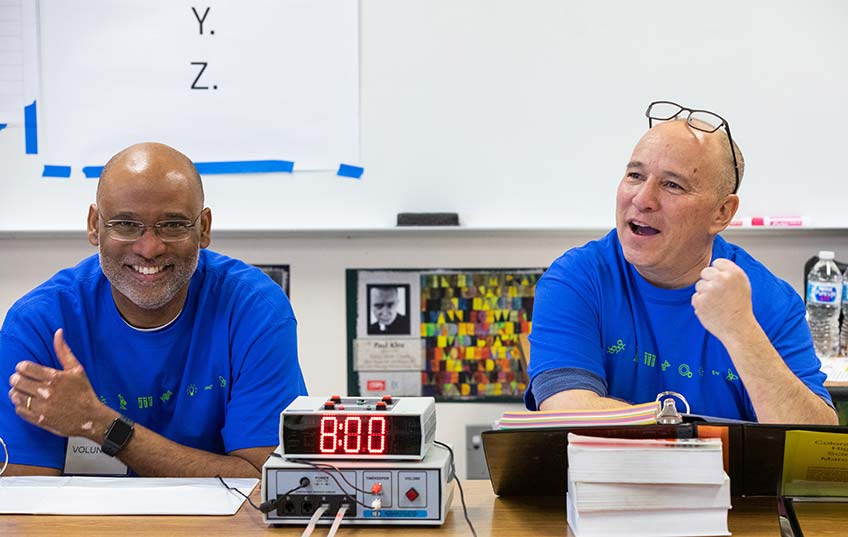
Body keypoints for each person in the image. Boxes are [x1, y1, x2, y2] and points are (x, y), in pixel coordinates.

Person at [1, 142, 308, 477]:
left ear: (203, 228)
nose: (149, 248)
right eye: (125, 224)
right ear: (94, 225)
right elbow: (26, 501)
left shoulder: (255, 311)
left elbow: (266, 483)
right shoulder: (37, 325)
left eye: (173, 225)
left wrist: (101, 424)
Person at [526, 101, 837, 424]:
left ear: (722, 213)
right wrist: (682, 427)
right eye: (635, 175)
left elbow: (811, 441)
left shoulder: (768, 300)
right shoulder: (577, 279)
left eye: (672, 184)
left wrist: (742, 333)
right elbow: (566, 410)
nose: (643, 199)